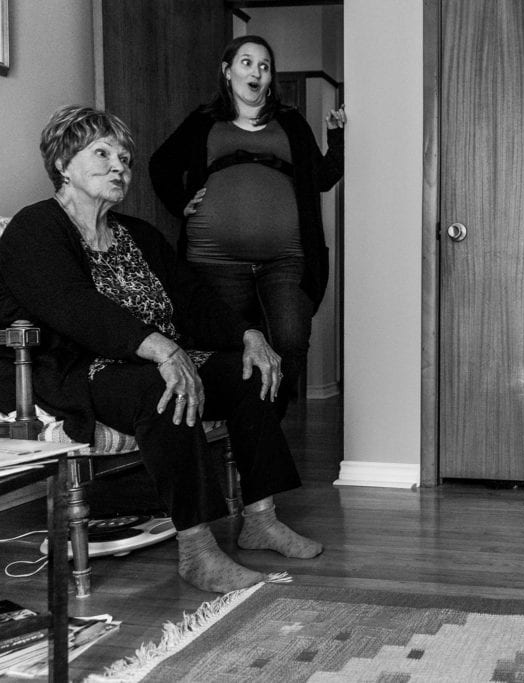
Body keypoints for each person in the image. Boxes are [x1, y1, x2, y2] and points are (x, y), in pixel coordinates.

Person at [0, 105, 322, 594]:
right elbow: (72, 306)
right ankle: (198, 551)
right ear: (63, 164)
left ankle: (261, 518)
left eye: (125, 159)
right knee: (163, 387)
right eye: (102, 153)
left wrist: (248, 336)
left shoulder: (139, 234)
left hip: (154, 358)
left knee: (250, 372)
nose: (119, 166)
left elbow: (194, 299)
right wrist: (162, 350)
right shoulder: (34, 229)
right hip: (82, 371)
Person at [150, 35, 344, 411]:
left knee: (289, 340)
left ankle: (269, 419)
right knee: (222, 344)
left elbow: (320, 178)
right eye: (247, 62)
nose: (256, 71)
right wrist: (181, 204)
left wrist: (337, 141)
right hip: (213, 261)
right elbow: (161, 165)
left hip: (286, 258)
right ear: (227, 71)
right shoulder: (204, 121)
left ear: (270, 79)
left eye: (264, 66)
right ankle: (234, 427)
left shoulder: (290, 122)